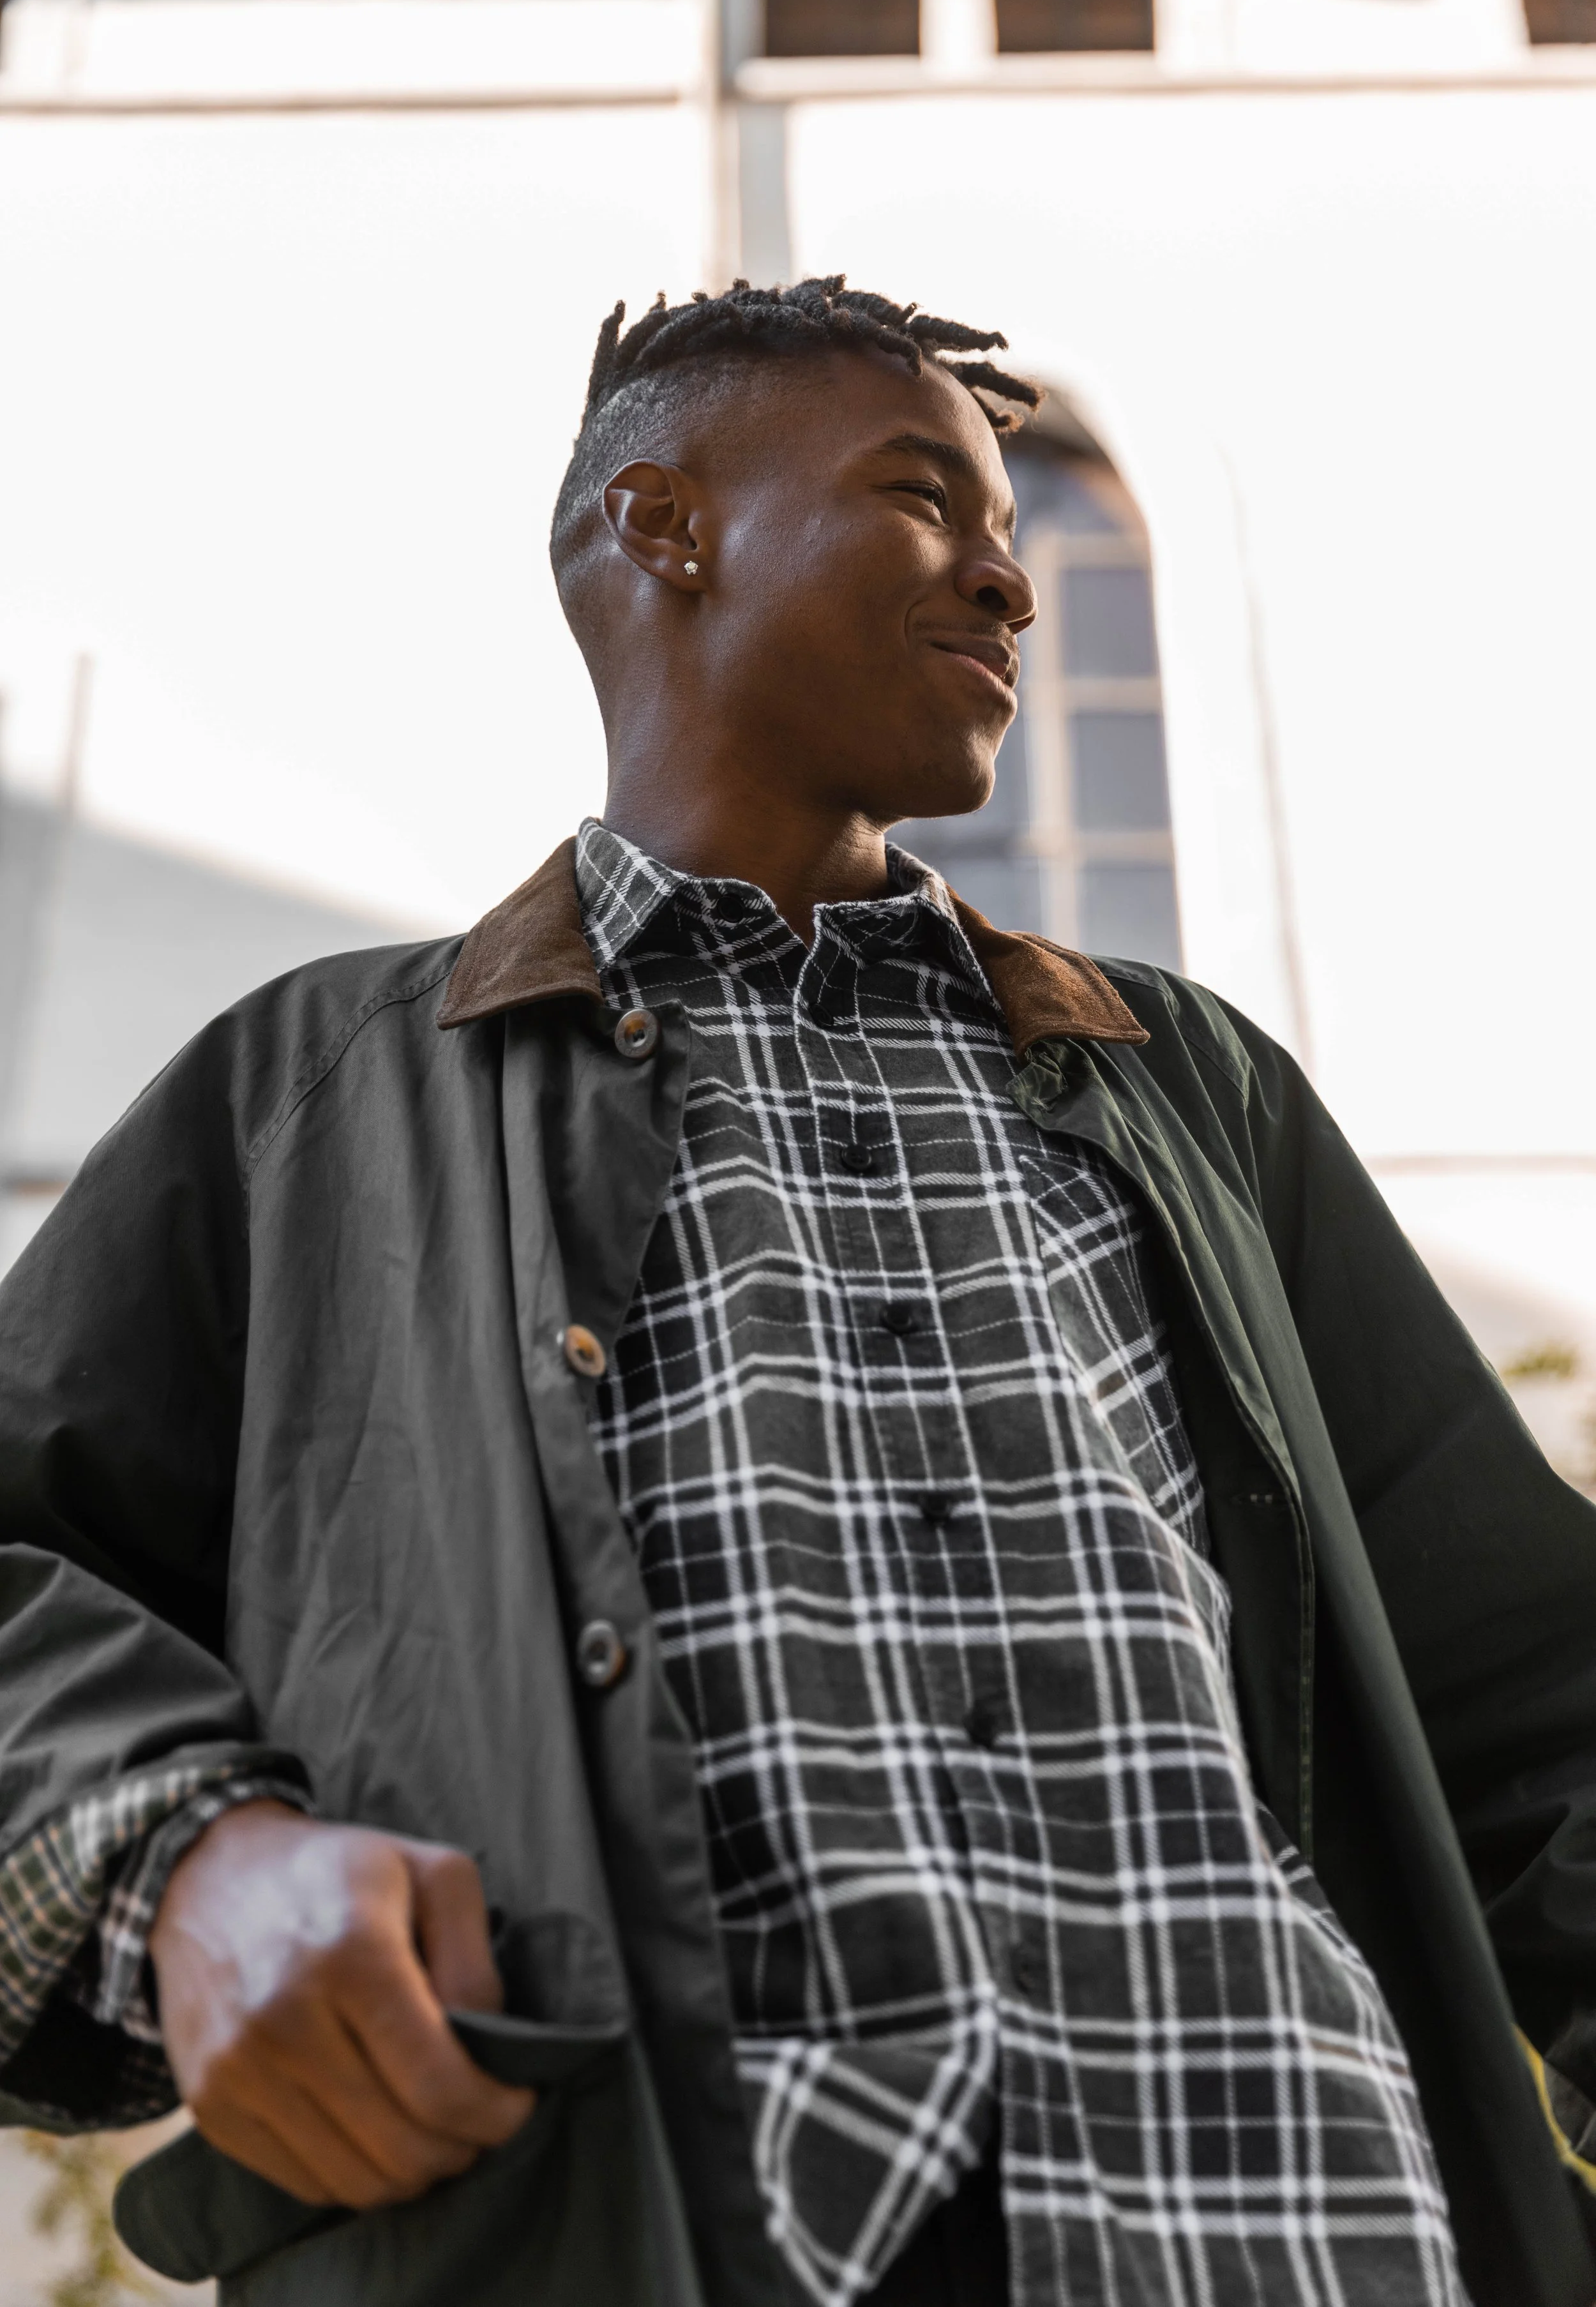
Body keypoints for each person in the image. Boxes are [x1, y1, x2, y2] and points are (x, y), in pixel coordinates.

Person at [0, 277, 1593, 2307]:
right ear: (667, 528)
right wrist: (190, 1861)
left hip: (1297, 2236)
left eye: (1020, 526)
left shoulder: (1195, 1091)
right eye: (929, 499)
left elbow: (1547, 1714)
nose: (1012, 587)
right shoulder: (309, 1100)